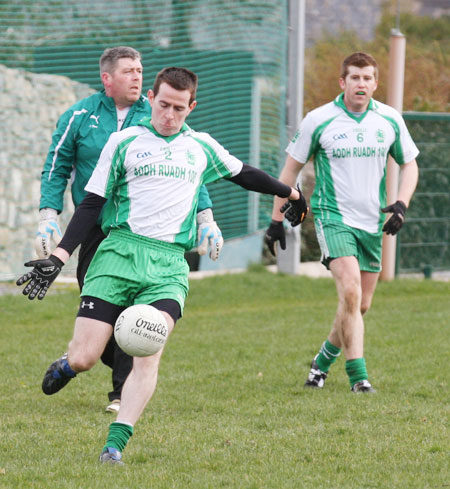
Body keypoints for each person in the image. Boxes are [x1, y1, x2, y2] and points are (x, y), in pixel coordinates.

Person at [17, 66, 308, 464]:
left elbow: (245, 174)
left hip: (168, 266)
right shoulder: (124, 142)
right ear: (151, 98)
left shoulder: (201, 146)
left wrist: (292, 192)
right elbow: (91, 203)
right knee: (86, 356)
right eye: (163, 104)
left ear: (192, 106)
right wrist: (58, 257)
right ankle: (68, 365)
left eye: (179, 109)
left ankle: (114, 446)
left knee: (147, 351)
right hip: (117, 256)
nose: (169, 116)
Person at [34, 46, 223, 414]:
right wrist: (48, 214)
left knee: (141, 310)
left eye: (140, 70)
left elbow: (188, 169)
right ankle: (76, 360)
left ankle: (120, 393)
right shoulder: (79, 115)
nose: (137, 77)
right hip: (94, 228)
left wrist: (206, 217)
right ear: (107, 78)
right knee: (103, 311)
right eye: (128, 71)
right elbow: (56, 167)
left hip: (147, 232)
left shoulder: (159, 111)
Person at [265, 52, 419, 393]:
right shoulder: (319, 120)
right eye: (354, 78)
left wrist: (402, 205)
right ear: (342, 82)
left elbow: (410, 165)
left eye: (367, 78)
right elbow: (290, 171)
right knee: (349, 290)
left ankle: (320, 364)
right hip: (333, 218)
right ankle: (359, 377)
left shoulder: (389, 120)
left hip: (372, 222)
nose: (361, 84)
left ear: (375, 83)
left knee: (360, 305)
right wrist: (276, 219)